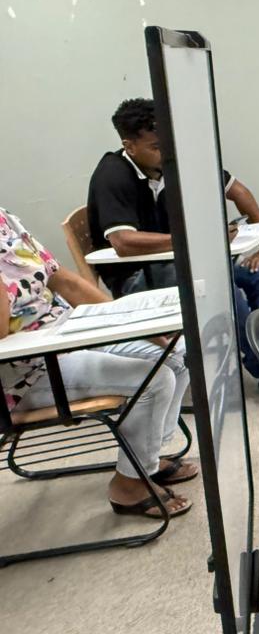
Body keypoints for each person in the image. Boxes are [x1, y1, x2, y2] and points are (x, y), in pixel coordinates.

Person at [2, 207, 197, 519]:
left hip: (64, 337)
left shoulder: (5, 220)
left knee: (178, 352)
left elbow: (62, 280)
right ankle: (128, 487)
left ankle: (145, 459)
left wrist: (132, 322)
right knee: (154, 381)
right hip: (24, 373)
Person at [86, 98, 259, 388]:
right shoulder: (113, 174)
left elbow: (238, 191)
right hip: (138, 275)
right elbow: (123, 242)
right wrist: (196, 240)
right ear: (129, 147)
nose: (165, 152)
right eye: (155, 147)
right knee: (218, 286)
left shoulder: (174, 162)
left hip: (183, 263)